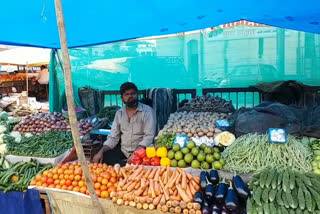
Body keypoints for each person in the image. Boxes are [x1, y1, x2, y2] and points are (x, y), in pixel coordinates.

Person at [93, 82, 156, 165]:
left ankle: (126, 166)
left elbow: (149, 137)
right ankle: (125, 165)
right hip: (124, 152)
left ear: (137, 95)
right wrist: (100, 151)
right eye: (126, 94)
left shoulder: (148, 111)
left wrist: (136, 153)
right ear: (122, 98)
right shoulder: (119, 113)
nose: (130, 96)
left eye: (132, 93)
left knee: (144, 165)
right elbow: (113, 137)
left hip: (142, 152)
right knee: (103, 157)